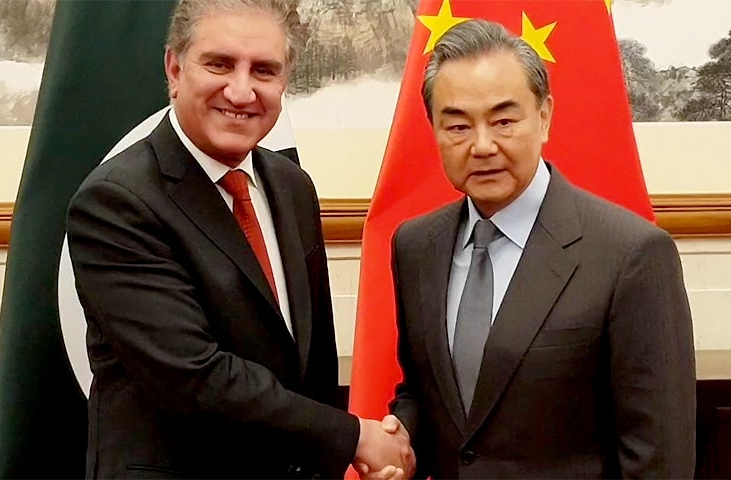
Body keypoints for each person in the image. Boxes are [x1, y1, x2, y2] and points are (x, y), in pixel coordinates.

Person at [66, 0, 413, 478]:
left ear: (284, 82)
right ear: (174, 68)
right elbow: (193, 377)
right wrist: (353, 437)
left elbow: (310, 359)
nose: (242, 90)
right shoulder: (117, 202)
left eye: (264, 70)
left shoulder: (292, 187)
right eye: (219, 64)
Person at [385, 19, 696, 479]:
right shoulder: (414, 246)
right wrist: (401, 444)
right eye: (457, 126)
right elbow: (427, 392)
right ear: (432, 128)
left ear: (544, 115)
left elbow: (659, 456)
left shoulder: (631, 254)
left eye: (504, 120)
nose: (483, 145)